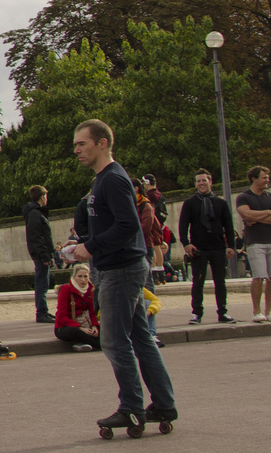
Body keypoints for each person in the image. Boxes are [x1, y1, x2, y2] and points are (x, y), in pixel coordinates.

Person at [68, 120, 176, 436]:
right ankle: (164, 404)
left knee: (115, 341)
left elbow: (128, 225)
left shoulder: (112, 180)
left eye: (81, 144)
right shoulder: (105, 180)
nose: (76, 150)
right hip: (123, 266)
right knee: (141, 338)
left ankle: (131, 409)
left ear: (102, 143)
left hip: (120, 269)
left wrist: (91, 247)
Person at [176, 170, 237, 325]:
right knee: (198, 282)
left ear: (210, 181)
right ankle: (196, 313)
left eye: (204, 180)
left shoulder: (221, 203)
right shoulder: (190, 203)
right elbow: (183, 225)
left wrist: (231, 245)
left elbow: (228, 226)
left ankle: (223, 311)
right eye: (198, 181)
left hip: (217, 247)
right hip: (199, 249)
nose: (201, 183)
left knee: (220, 282)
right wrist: (186, 243)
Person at [235, 167, 271, 323]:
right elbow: (246, 214)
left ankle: (268, 311)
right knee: (258, 276)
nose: (267, 180)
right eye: (264, 177)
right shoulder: (244, 197)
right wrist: (269, 212)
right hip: (255, 242)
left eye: (268, 177)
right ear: (254, 179)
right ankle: (257, 311)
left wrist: (257, 217)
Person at [23, 187, 57, 323]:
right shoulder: (35, 214)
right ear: (42, 197)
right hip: (41, 255)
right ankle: (42, 312)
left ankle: (43, 311)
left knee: (43, 283)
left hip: (41, 254)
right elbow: (37, 237)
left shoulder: (34, 214)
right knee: (42, 284)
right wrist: (45, 255)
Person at [54, 264, 100, 350]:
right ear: (74, 277)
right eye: (80, 276)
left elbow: (92, 312)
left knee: (102, 330)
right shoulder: (66, 289)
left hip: (85, 323)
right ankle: (98, 346)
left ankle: (85, 345)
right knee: (76, 332)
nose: (83, 280)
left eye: (86, 276)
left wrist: (94, 326)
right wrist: (79, 327)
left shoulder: (89, 290)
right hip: (65, 326)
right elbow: (61, 316)